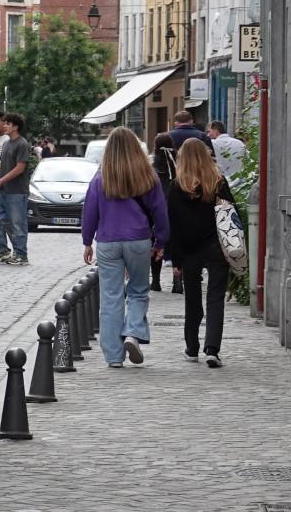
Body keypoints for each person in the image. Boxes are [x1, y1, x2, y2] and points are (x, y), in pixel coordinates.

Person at [81, 126, 168, 369]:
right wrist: (161, 241)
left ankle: (113, 356)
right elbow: (160, 211)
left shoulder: (100, 178)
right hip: (139, 239)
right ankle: (132, 332)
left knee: (111, 296)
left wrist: (87, 241)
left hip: (108, 241)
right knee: (138, 290)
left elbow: (89, 211)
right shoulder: (148, 177)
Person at [166, 137, 240, 368]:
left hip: (189, 250)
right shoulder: (217, 183)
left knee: (193, 299)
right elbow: (232, 214)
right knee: (215, 297)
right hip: (216, 246)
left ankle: (191, 348)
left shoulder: (176, 187)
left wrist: (176, 259)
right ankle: (212, 350)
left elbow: (173, 226)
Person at [0, 112, 32, 265]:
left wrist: (0, 181)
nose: (4, 126)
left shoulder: (22, 144)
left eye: (7, 124)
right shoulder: (7, 143)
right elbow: (7, 162)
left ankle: (21, 255)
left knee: (17, 224)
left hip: (17, 191)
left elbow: (20, 168)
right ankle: (2, 250)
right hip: (2, 190)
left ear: (15, 127)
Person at [150, 132, 179, 292]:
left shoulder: (152, 167)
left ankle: (156, 281)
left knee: (156, 243)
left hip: (156, 211)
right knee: (177, 245)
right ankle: (177, 281)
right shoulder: (177, 165)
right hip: (176, 210)